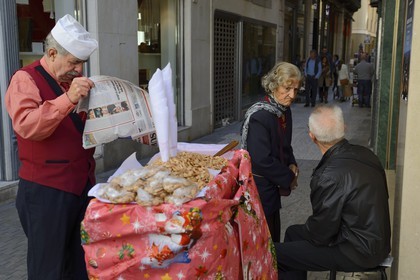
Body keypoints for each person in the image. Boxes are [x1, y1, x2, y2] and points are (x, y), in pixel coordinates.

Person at [5, 14, 98, 279]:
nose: (79, 69)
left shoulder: (71, 81)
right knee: (49, 269)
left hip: (81, 185)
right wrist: (68, 98)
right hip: (45, 192)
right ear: (53, 53)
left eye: (81, 63)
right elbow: (27, 125)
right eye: (74, 62)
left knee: (80, 264)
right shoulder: (25, 79)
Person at [275, 105, 391, 280]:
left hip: (356, 251)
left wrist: (311, 229)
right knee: (292, 232)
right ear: (344, 128)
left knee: (277, 254)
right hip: (376, 241)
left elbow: (321, 234)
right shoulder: (367, 154)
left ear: (312, 137)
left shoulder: (328, 175)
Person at [240, 62, 300, 242]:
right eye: (287, 88)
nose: (292, 95)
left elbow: (285, 145)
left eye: (296, 90)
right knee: (263, 241)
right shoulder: (260, 116)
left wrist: (293, 163)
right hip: (260, 190)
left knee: (273, 237)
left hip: (272, 187)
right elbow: (261, 160)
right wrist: (289, 177)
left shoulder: (283, 110)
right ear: (274, 85)